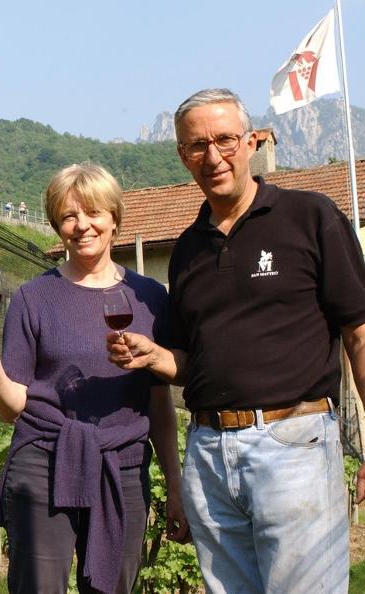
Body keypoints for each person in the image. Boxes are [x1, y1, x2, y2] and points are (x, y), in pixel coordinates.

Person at [107, 88, 365, 594]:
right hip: (209, 452)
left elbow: (359, 334)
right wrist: (154, 355)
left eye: (224, 139)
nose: (213, 156)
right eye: (197, 145)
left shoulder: (311, 217)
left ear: (251, 142)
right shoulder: (187, 250)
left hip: (293, 444)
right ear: (183, 155)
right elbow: (193, 363)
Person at [0, 162, 189, 594]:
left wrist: (175, 486)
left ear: (114, 219)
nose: (82, 225)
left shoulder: (149, 297)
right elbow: (11, 407)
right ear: (56, 226)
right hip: (45, 459)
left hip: (122, 466)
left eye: (93, 213)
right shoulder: (34, 298)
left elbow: (159, 403)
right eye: (69, 216)